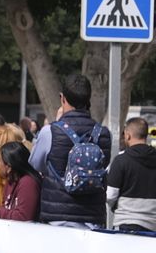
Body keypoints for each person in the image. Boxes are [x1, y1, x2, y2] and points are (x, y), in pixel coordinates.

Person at [29, 73, 111, 227]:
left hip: (57, 219)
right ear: (88, 99)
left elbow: (36, 164)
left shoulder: (50, 132)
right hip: (93, 219)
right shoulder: (104, 134)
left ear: (62, 98)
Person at [105, 117, 156, 232]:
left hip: (124, 224)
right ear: (146, 135)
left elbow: (110, 196)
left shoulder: (120, 161)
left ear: (128, 135)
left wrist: (117, 207)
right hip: (153, 225)